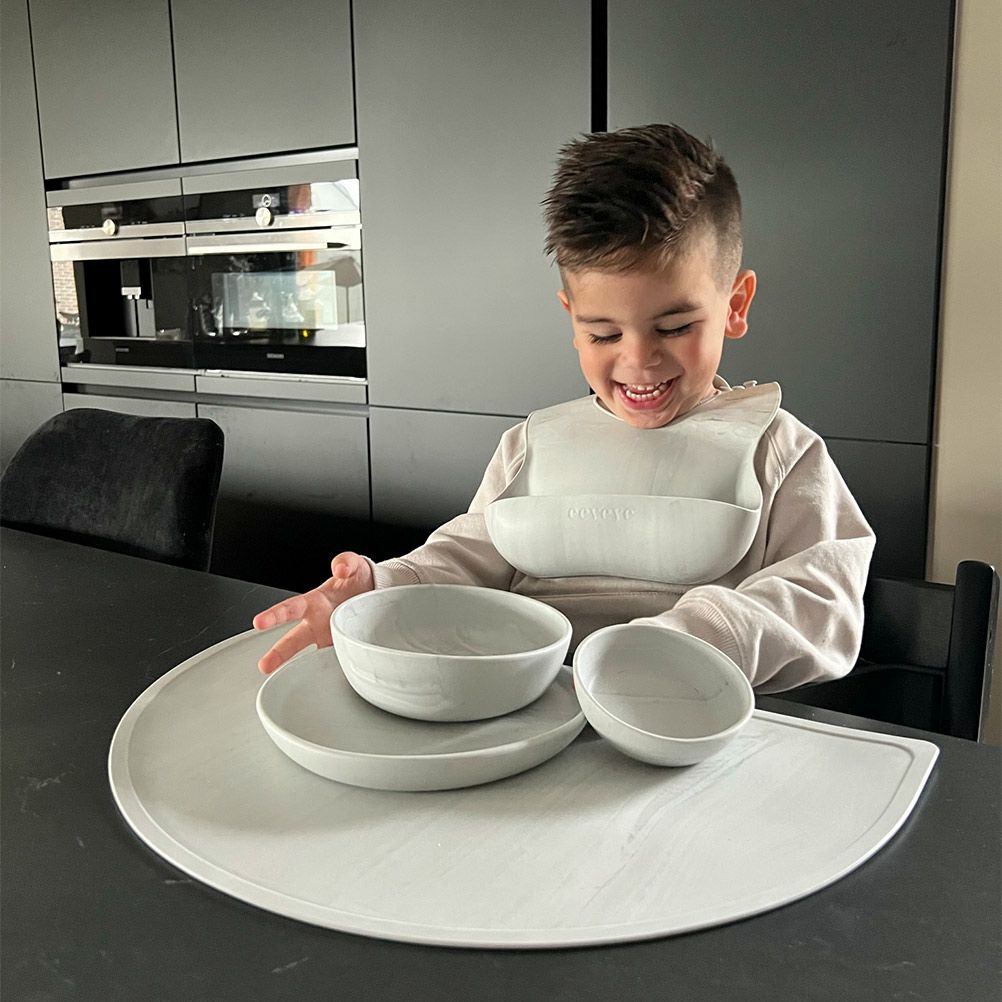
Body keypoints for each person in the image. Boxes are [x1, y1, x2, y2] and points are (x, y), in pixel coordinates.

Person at [253, 123, 875, 692]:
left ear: (734, 305)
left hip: (688, 714)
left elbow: (825, 601)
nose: (639, 360)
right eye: (604, 334)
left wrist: (698, 635)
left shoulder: (782, 452)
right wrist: (381, 589)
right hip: (531, 708)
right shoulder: (531, 447)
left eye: (675, 326)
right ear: (572, 321)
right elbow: (469, 555)